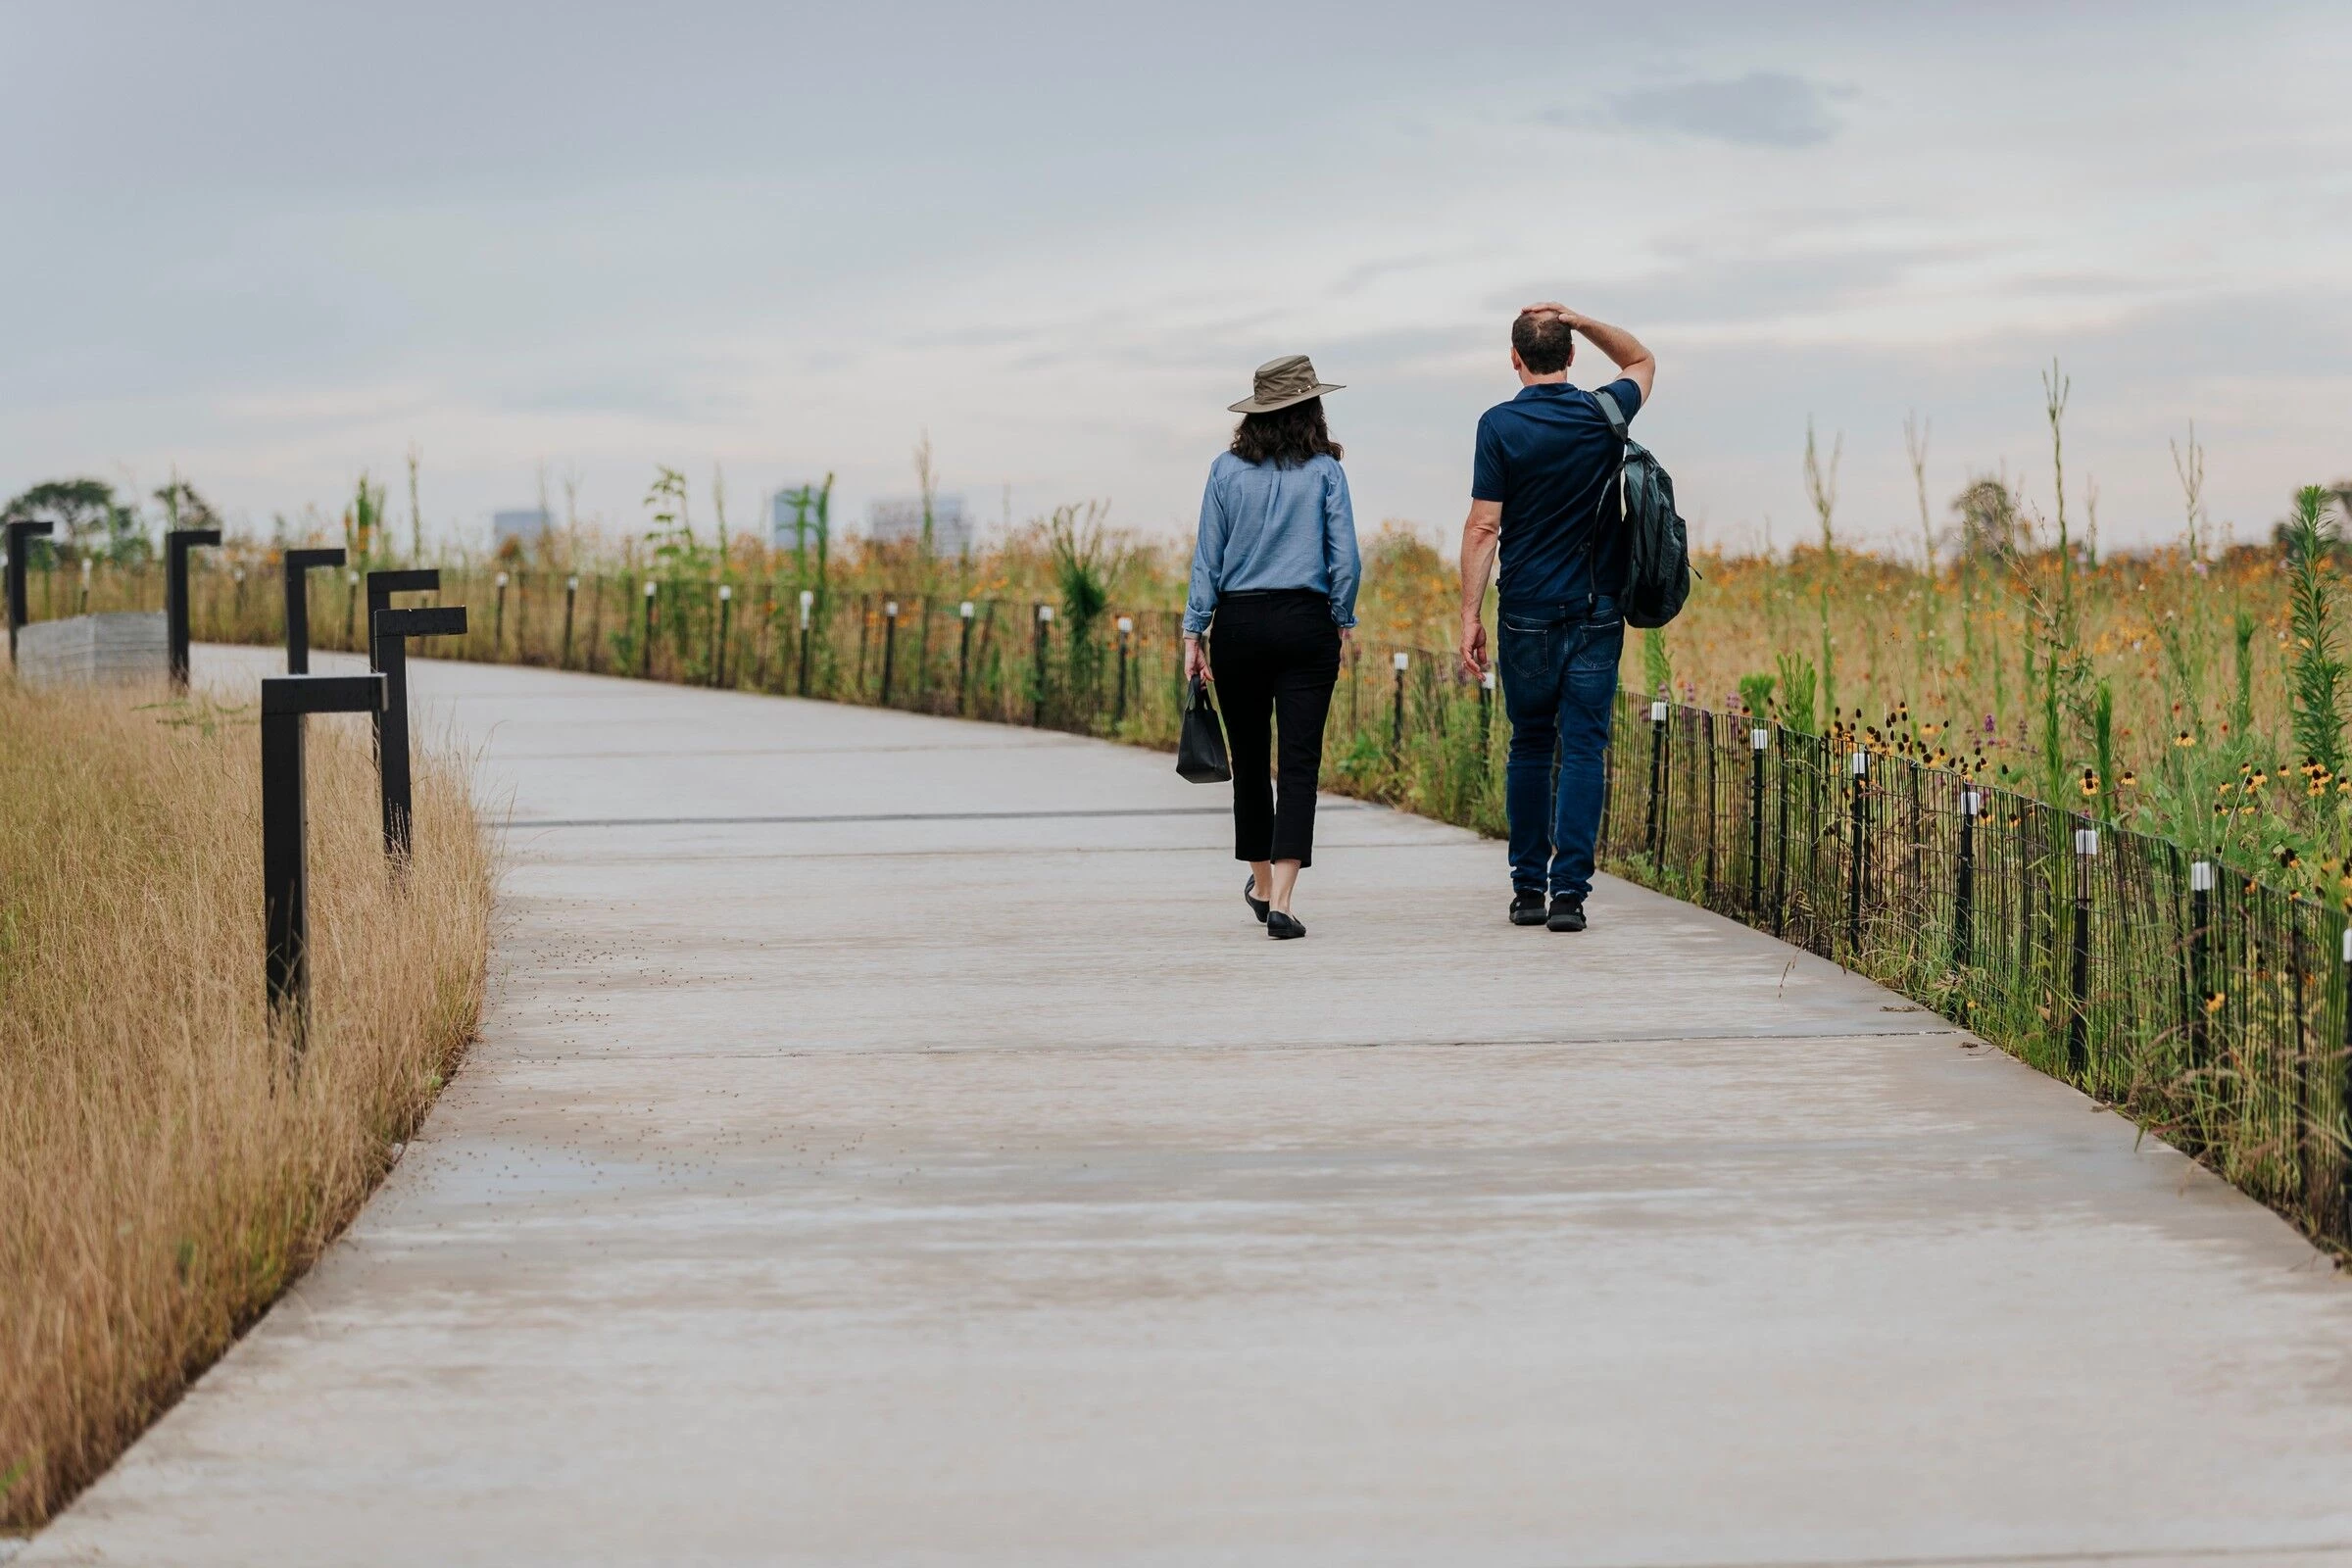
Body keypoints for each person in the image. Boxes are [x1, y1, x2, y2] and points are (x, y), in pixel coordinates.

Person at [1456, 304, 1657, 933]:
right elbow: (1641, 359)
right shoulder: (1605, 412)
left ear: (1515, 359)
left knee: (1531, 744)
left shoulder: (1497, 425)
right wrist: (1581, 317)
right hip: (1598, 608)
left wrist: (1470, 615)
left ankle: (1527, 891)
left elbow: (1484, 526)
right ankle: (1570, 895)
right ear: (1571, 357)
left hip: (1525, 611)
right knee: (1585, 750)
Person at [1184, 355, 1361, 941]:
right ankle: (1282, 898)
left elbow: (1207, 558)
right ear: (1311, 409)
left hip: (1239, 625)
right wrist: (1340, 619)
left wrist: (1195, 631)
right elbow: (1346, 560)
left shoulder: (1225, 471)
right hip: (1306, 622)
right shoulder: (1326, 473)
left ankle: (1259, 881)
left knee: (1252, 764)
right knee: (1301, 764)